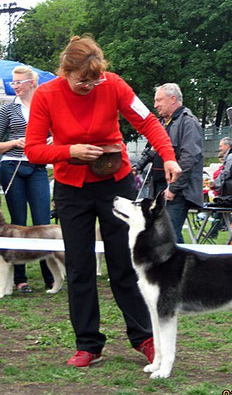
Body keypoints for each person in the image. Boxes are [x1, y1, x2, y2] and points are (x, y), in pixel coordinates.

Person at [25, 35, 181, 368]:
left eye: (96, 79)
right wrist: (69, 152)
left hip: (116, 185)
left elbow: (147, 121)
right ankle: (88, 344)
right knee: (79, 267)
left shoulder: (114, 85)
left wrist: (168, 156)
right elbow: (33, 150)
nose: (91, 86)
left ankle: (145, 338)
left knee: (125, 264)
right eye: (83, 80)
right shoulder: (45, 95)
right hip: (71, 188)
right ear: (66, 70)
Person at [0, 66, 54, 293]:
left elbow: (59, 134)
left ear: (32, 83)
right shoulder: (6, 110)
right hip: (11, 166)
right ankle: (20, 279)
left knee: (42, 220)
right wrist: (14, 143)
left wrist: (54, 141)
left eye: (19, 82)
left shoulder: (46, 107)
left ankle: (50, 275)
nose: (15, 86)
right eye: (13, 82)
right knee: (18, 221)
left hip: (38, 166)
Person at [135, 83, 203, 243]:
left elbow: (189, 158)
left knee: (168, 236)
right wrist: (137, 167)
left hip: (177, 192)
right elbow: (152, 150)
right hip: (158, 188)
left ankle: (182, 267)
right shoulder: (160, 123)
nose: (155, 105)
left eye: (159, 100)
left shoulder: (188, 122)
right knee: (159, 234)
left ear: (173, 99)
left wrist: (173, 188)